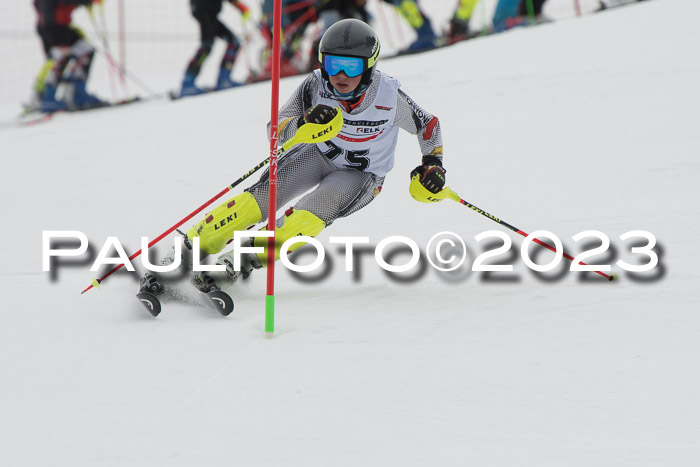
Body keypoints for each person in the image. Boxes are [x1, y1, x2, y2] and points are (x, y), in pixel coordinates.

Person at [141, 18, 447, 295]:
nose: (340, 75)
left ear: (369, 67)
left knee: (304, 218)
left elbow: (429, 126)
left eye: (352, 67)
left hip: (359, 175)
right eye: (332, 64)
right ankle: (184, 253)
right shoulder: (315, 85)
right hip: (316, 153)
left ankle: (239, 261)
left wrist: (432, 163)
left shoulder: (388, 97)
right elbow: (276, 128)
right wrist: (302, 125)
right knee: (258, 200)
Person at [32, 0, 104, 112]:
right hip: (53, 25)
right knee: (60, 57)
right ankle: (45, 96)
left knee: (85, 50)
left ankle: (75, 93)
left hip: (58, 23)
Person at [180, 0, 249, 96]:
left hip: (207, 10)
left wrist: (238, 5)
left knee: (233, 42)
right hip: (204, 8)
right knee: (207, 46)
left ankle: (224, 79)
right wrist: (239, 5)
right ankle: (188, 84)